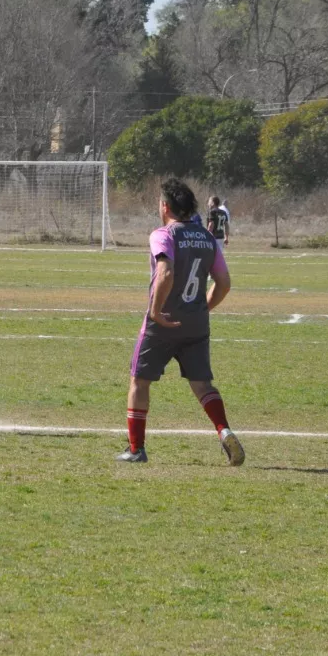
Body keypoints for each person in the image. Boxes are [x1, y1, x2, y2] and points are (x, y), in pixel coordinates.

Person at [120, 178, 243, 466]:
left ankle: (136, 449)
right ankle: (224, 430)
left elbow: (165, 272)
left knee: (139, 381)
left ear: (165, 206)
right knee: (202, 384)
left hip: (163, 322)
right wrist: (203, 308)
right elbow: (223, 283)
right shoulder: (206, 237)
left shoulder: (163, 234)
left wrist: (156, 310)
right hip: (196, 324)